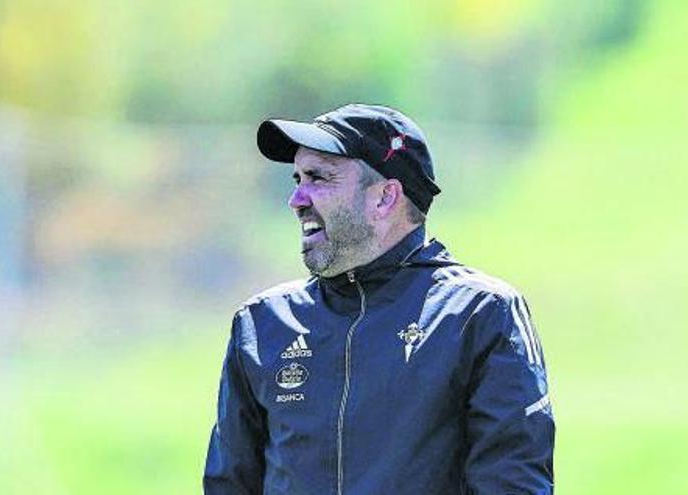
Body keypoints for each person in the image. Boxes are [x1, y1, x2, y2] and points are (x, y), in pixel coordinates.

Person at [203, 104, 554, 494]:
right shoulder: (261, 323)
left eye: (319, 178)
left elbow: (511, 484)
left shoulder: (478, 314)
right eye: (297, 178)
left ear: (385, 197)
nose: (297, 199)